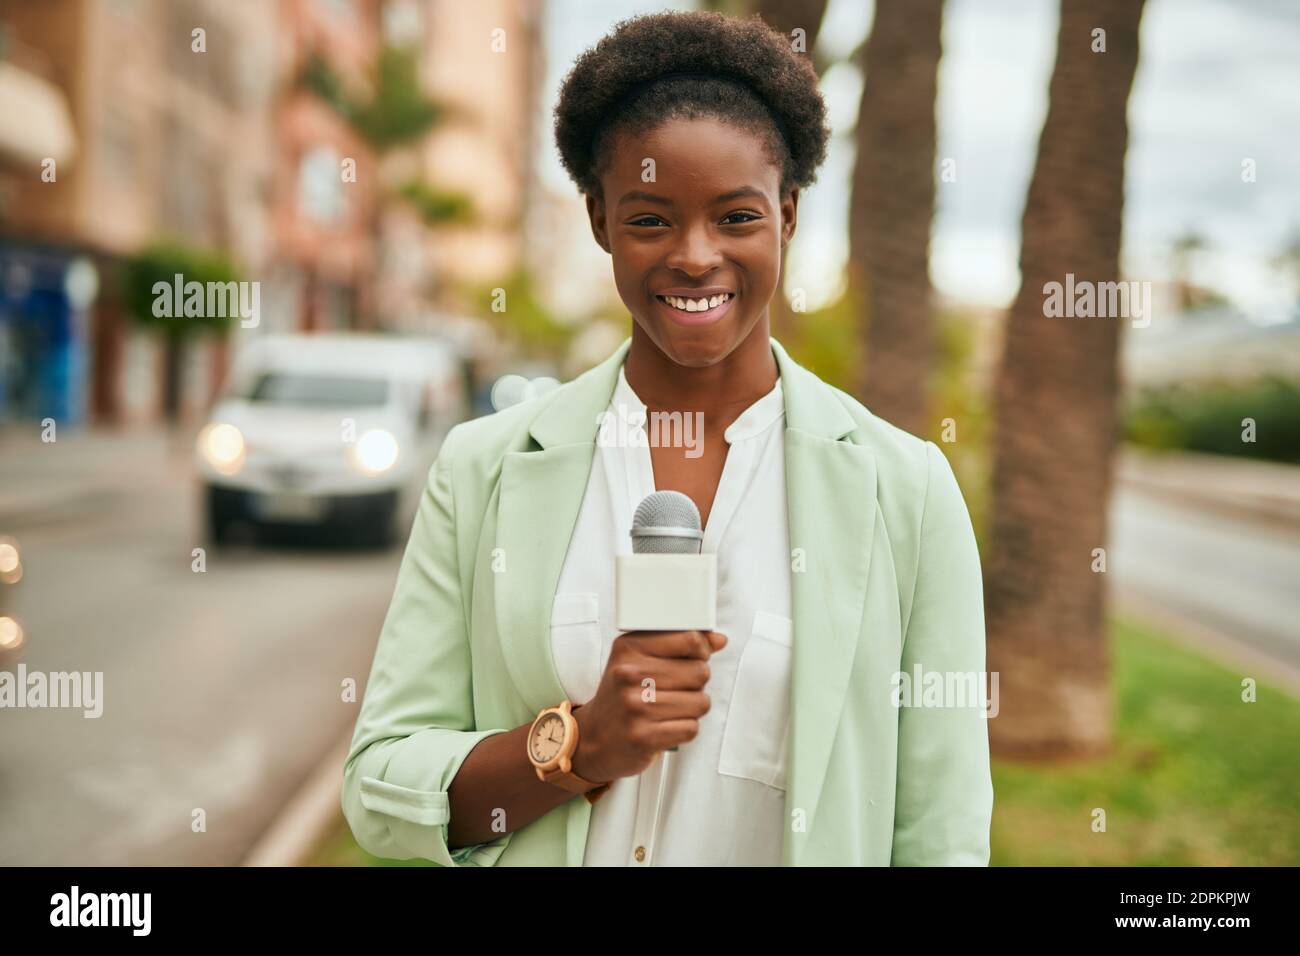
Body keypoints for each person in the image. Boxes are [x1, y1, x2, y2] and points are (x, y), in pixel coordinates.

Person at [341, 9, 992, 867]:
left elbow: (940, 835)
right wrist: (578, 744)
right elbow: (380, 783)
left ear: (787, 217)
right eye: (650, 219)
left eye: (736, 218)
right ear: (599, 220)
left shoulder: (903, 490)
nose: (694, 256)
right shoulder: (484, 471)